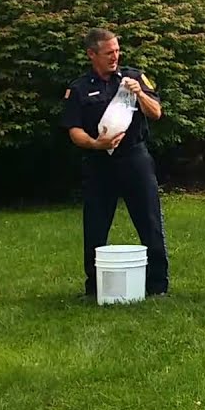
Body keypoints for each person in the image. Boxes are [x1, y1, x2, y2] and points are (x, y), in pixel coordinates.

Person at [61, 28, 169, 299]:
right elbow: (74, 130)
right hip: (99, 162)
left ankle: (157, 285)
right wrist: (97, 144)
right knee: (95, 224)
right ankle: (94, 286)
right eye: (109, 53)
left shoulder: (133, 77)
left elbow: (157, 113)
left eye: (117, 51)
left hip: (135, 158)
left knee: (150, 220)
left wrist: (140, 94)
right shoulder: (79, 88)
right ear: (91, 54)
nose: (115, 57)